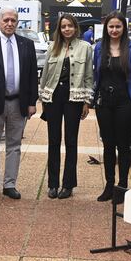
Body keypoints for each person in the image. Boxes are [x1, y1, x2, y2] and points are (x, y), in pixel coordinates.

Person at [0, 7, 38, 200]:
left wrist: (32, 101)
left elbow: (31, 74)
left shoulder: (26, 44)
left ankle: (10, 184)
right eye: (6, 20)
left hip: (19, 103)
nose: (10, 24)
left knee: (14, 145)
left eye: (13, 20)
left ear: (17, 23)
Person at [91, 11, 131, 203]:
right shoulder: (99, 48)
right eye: (111, 26)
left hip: (126, 103)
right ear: (106, 28)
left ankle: (122, 186)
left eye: (118, 26)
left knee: (123, 145)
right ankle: (109, 185)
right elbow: (96, 74)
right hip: (104, 102)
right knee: (108, 144)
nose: (114, 30)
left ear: (124, 28)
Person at [39, 14, 93, 199]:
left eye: (70, 26)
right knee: (53, 140)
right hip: (54, 97)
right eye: (63, 26)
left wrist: (87, 101)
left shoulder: (85, 48)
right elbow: (45, 75)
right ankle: (52, 184)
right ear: (59, 29)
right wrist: (43, 99)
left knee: (71, 141)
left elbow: (88, 76)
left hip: (74, 98)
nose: (67, 29)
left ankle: (68, 184)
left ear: (75, 27)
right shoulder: (52, 47)